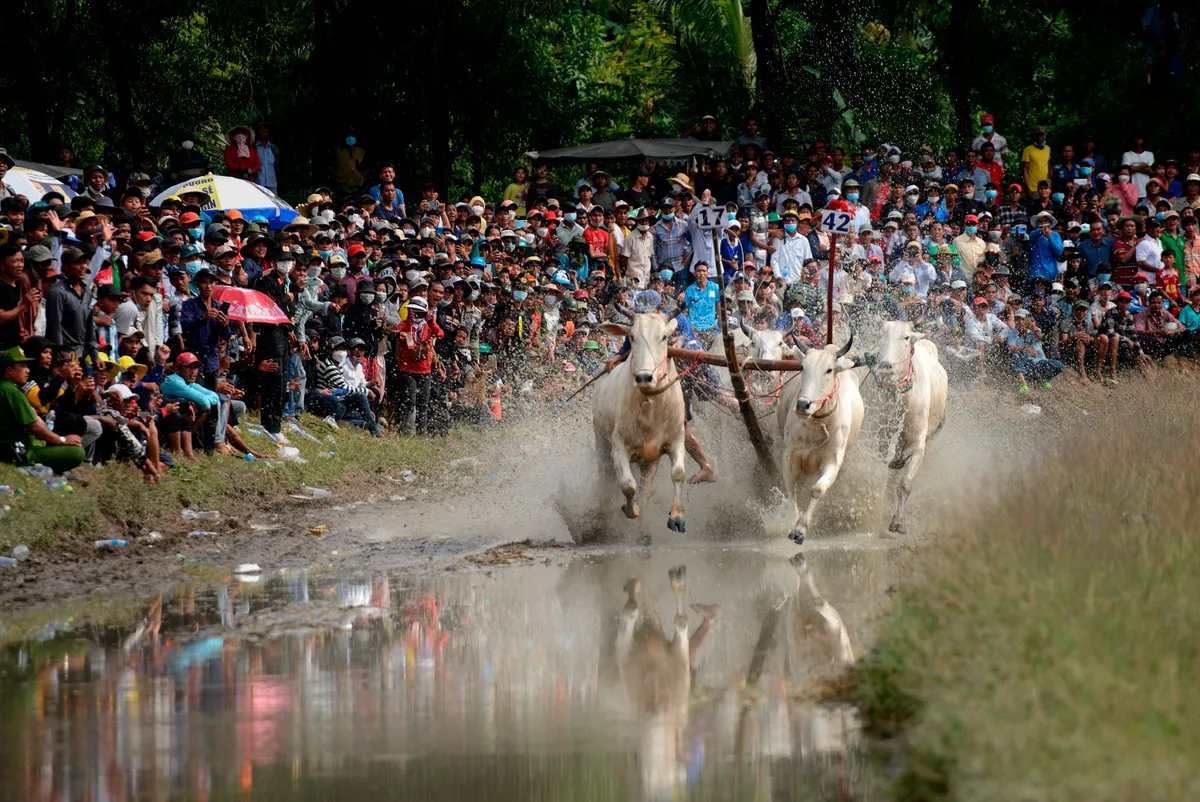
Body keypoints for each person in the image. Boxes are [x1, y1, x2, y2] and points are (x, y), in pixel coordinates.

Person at [0, 345, 86, 472]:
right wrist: (62, 440)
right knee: (77, 452)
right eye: (22, 366)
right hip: (17, 452)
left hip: (18, 444)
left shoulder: (8, 386)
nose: (27, 370)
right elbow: (34, 425)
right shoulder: (11, 390)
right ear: (9, 370)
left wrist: (73, 386)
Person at [1007, 308, 1063, 392]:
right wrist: (1026, 349)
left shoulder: (1035, 331)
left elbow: (1040, 336)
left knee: (1059, 365)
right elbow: (1011, 348)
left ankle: (1044, 378)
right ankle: (1023, 384)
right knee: (1016, 355)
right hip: (1024, 364)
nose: (1020, 322)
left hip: (1038, 362)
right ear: (1015, 320)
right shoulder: (1012, 332)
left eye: (1023, 319)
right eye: (1018, 319)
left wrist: (1033, 327)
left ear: (1027, 320)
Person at [1022, 126, 1052, 195]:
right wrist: (1028, 188)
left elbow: (1047, 162)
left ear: (1045, 136)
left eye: (1041, 135)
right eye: (1037, 135)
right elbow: (1025, 169)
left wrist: (1050, 170)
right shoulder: (1028, 150)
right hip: (1034, 188)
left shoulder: (1048, 149)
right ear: (1034, 137)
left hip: (1046, 187)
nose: (1039, 138)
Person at [253, 122, 280, 194]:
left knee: (273, 204)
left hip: (272, 183)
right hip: (258, 183)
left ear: (268, 131)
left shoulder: (273, 148)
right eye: (261, 129)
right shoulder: (254, 147)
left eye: (265, 129)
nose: (263, 130)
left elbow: (276, 165)